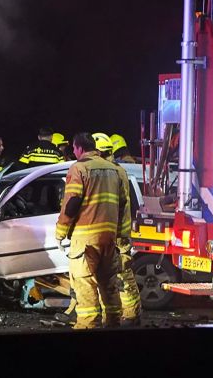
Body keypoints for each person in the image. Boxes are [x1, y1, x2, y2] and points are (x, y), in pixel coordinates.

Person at [54, 132, 128, 329]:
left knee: (85, 284)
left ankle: (88, 327)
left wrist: (60, 232)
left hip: (85, 239)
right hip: (109, 238)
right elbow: (122, 204)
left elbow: (72, 202)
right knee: (108, 283)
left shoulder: (79, 168)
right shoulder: (113, 170)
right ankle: (113, 324)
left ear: (78, 148)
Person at [95, 133, 142, 325]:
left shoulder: (103, 172)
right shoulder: (118, 171)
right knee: (121, 274)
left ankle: (122, 315)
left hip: (110, 232)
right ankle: (129, 315)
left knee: (115, 276)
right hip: (118, 231)